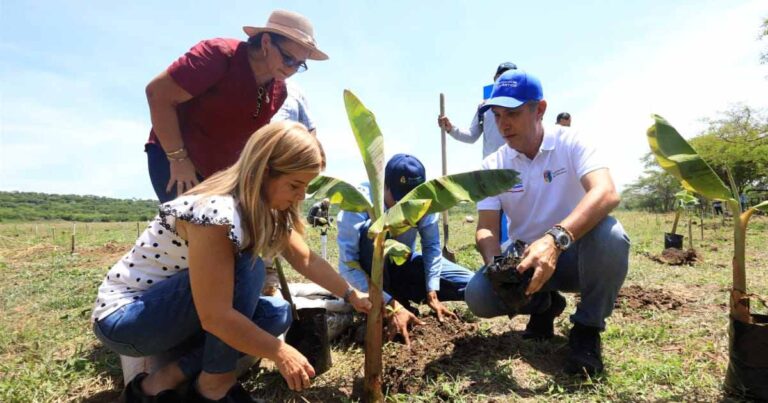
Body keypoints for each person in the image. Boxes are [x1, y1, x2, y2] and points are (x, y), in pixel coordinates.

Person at [91, 121, 371, 402]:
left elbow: (306, 259)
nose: (301, 196)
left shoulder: (266, 211)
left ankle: (165, 380)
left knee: (276, 314)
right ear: (263, 172)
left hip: (176, 314)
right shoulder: (216, 212)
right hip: (126, 320)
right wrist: (280, 352)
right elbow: (215, 316)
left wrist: (351, 294)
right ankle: (216, 385)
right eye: (295, 185)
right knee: (249, 267)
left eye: (305, 187)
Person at [464, 70, 629, 376]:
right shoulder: (493, 165)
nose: (503, 124)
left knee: (612, 237)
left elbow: (606, 192)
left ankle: (587, 329)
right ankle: (544, 305)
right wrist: (495, 265)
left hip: (576, 254)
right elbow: (486, 227)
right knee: (479, 296)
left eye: (512, 113)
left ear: (539, 109)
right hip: (524, 260)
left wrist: (555, 240)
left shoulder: (572, 141)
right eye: (497, 115)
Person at [145, 10, 328, 203]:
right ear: (266, 42)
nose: (291, 69)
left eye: (299, 65)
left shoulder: (279, 91)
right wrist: (178, 160)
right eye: (288, 58)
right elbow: (157, 94)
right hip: (177, 162)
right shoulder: (218, 55)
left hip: (221, 177)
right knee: (186, 221)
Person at [336, 154, 475, 345]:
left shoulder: (423, 201)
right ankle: (387, 303)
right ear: (384, 186)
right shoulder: (358, 202)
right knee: (373, 230)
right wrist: (391, 304)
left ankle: (404, 296)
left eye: (411, 200)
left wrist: (432, 290)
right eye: (399, 199)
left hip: (404, 265)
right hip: (370, 276)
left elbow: (431, 245)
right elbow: (348, 267)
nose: (405, 207)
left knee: (470, 282)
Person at [437, 62, 518, 158]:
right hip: (492, 166)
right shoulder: (484, 107)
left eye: (508, 77)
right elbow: (472, 136)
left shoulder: (525, 107)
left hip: (519, 164)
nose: (503, 82)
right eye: (499, 78)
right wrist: (451, 129)